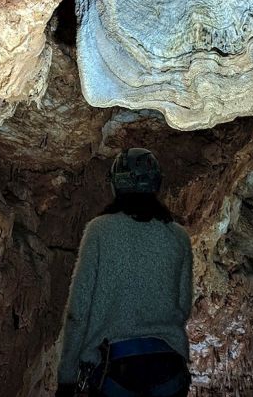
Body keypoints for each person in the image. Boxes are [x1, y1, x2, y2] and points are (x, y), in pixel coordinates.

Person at [55, 147, 194, 397]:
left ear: (117, 184)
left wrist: (67, 377)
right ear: (155, 183)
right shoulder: (179, 237)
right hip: (169, 370)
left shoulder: (99, 231)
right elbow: (183, 307)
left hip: (115, 369)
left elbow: (78, 311)